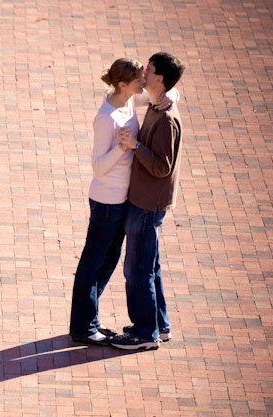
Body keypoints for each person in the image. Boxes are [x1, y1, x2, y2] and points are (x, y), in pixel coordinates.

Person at [70, 58, 177, 346]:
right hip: (106, 201)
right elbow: (98, 167)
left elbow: (162, 97)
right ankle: (82, 326)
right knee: (93, 264)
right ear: (122, 84)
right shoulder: (107, 118)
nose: (143, 83)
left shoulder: (128, 102)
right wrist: (122, 146)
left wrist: (172, 94)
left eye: (145, 78)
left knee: (108, 261)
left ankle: (89, 319)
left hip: (123, 200)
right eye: (138, 81)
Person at [111, 52, 185, 350]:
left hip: (146, 204)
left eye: (149, 69)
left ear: (160, 79)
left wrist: (134, 144)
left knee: (137, 270)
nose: (144, 71)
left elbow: (161, 166)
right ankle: (159, 324)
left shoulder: (166, 118)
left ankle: (144, 333)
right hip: (146, 201)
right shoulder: (160, 103)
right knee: (150, 266)